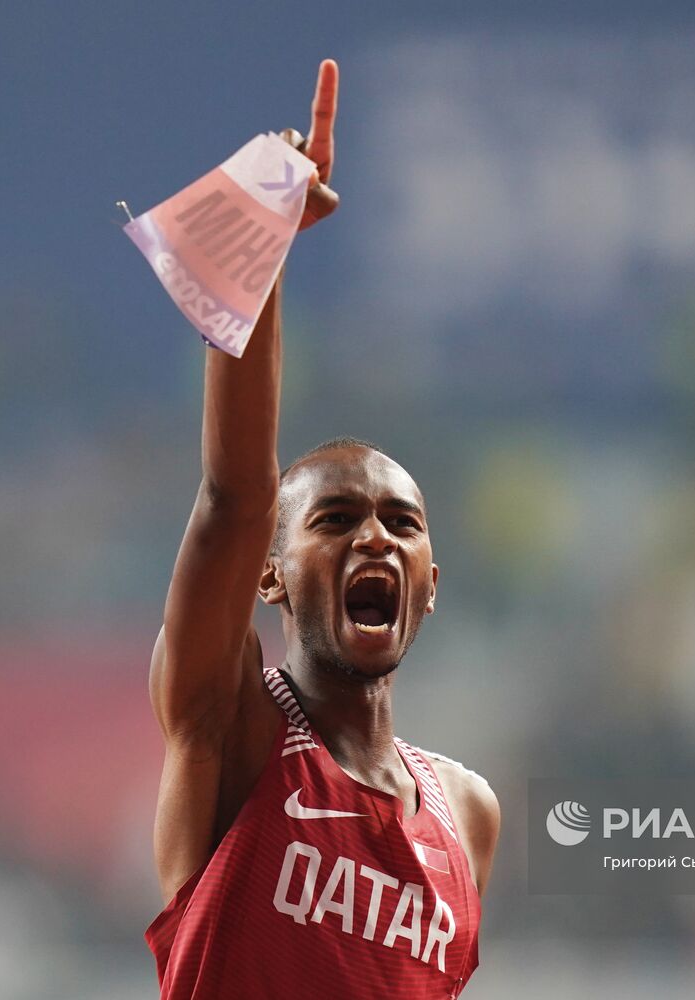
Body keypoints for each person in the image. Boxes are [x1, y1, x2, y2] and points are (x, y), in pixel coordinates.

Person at [143, 60, 500, 999]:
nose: (374, 539)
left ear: (430, 581)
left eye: (402, 524)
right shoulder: (232, 728)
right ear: (272, 578)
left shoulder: (467, 813)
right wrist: (256, 234)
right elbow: (233, 496)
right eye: (335, 519)